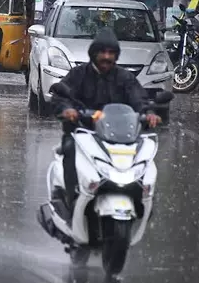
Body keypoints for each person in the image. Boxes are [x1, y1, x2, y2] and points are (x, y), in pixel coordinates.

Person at [52, 29, 161, 219]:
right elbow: (61, 96)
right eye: (102, 52)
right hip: (83, 133)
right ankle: (72, 199)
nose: (107, 57)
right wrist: (67, 110)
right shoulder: (78, 74)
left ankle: (143, 200)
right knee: (69, 148)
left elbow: (139, 99)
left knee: (144, 155)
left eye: (111, 53)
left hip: (119, 137)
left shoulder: (125, 77)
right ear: (94, 53)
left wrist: (149, 114)